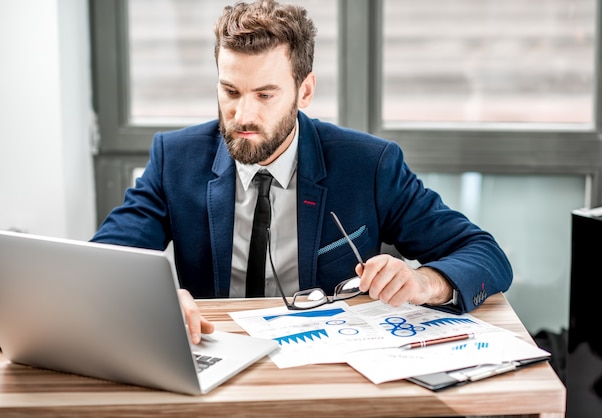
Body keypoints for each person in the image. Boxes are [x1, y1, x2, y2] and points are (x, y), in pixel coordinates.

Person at [92, 0, 513, 344]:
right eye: (230, 91)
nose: (243, 114)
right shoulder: (175, 159)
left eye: (265, 94)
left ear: (304, 91)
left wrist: (426, 282)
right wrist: (156, 299)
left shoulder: (369, 164)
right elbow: (100, 264)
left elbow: (486, 255)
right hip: (213, 359)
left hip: (332, 368)